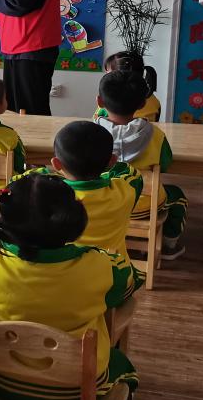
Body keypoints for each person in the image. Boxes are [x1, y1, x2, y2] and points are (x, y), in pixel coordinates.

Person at [0, 175, 139, 400]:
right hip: (75, 389)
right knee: (126, 371)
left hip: (2, 381)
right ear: (71, 221)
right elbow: (123, 291)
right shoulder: (100, 265)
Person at [16, 121, 144, 295]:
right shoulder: (125, 189)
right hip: (109, 276)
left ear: (56, 164)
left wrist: (47, 174)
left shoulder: (46, 198)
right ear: (111, 161)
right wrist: (109, 164)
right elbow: (128, 171)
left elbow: (20, 182)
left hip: (58, 277)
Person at [94, 71, 188, 260]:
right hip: (143, 205)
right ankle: (169, 245)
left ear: (99, 102)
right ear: (143, 104)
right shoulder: (156, 135)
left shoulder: (91, 134)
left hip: (103, 201)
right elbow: (165, 165)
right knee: (178, 197)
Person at [94, 50, 160, 122]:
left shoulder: (112, 98)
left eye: (108, 73)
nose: (106, 76)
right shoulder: (151, 99)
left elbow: (96, 120)